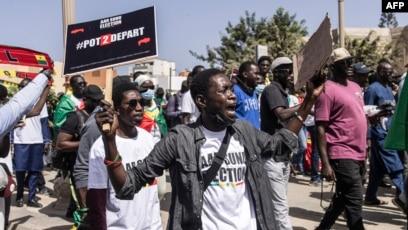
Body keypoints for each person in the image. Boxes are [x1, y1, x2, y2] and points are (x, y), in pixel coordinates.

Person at [95, 68, 324, 229]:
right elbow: (125, 186)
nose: (232, 95)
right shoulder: (179, 139)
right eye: (224, 91)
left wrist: (309, 103)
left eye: (231, 90)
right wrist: (109, 140)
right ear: (202, 101)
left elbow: (281, 146)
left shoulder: (243, 131)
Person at [87, 82, 162, 229]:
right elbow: (97, 199)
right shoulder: (102, 147)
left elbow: (153, 192)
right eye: (132, 104)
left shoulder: (148, 139)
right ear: (117, 109)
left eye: (141, 102)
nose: (139, 108)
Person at [315, 48, 367, 230]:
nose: (349, 65)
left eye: (350, 61)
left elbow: (357, 115)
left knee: (342, 199)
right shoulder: (327, 90)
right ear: (334, 66)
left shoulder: (356, 87)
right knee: (354, 202)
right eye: (344, 62)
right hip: (341, 152)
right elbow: (320, 128)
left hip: (359, 152)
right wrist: (325, 163)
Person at [260, 56, 298, 230]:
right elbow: (282, 115)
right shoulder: (272, 90)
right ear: (277, 73)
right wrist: (306, 105)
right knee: (280, 205)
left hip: (282, 155)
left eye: (293, 71)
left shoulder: (283, 92)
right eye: (288, 71)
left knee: (279, 203)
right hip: (273, 157)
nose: (292, 75)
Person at [364, 59, 406, 209]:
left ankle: (369, 197)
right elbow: (366, 112)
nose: (391, 75)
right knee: (397, 168)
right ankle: (404, 199)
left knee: (377, 169)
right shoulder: (372, 89)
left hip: (389, 133)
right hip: (380, 135)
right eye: (388, 73)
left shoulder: (388, 87)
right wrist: (368, 138)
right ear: (380, 72)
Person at [56, 85, 104, 213]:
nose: (97, 103)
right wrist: (85, 143)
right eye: (94, 100)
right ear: (85, 99)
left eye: (99, 100)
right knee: (84, 207)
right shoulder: (75, 117)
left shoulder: (101, 116)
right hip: (79, 166)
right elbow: (61, 144)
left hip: (97, 167)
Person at [13, 78, 50, 208]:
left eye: (26, 86)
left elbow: (44, 122)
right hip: (20, 141)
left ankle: (32, 198)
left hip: (37, 140)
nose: (23, 88)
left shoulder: (40, 102)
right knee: (20, 170)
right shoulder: (16, 101)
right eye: (21, 86)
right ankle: (19, 197)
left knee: (35, 171)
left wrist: (47, 140)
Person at [136, 75, 168, 143]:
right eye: (145, 87)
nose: (149, 90)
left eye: (151, 87)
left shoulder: (157, 104)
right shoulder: (135, 107)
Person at [233, 61, 261, 129]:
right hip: (242, 136)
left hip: (256, 135)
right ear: (245, 74)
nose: (258, 77)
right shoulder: (234, 91)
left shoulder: (253, 92)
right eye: (256, 74)